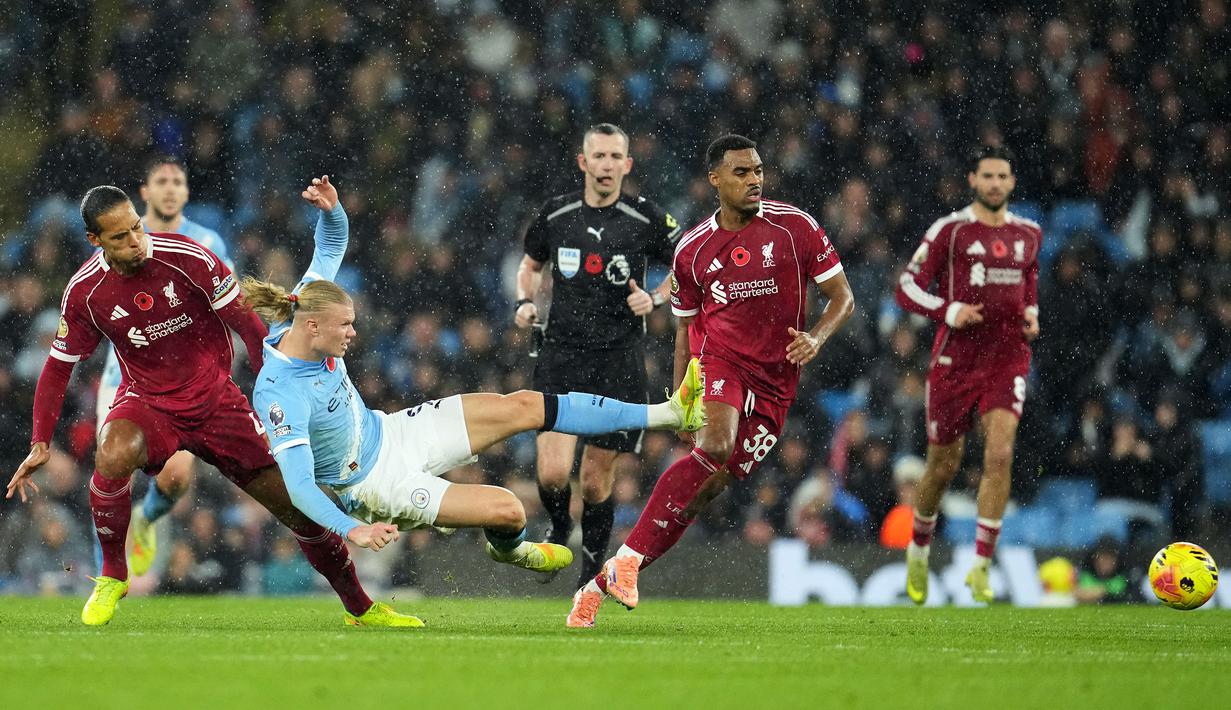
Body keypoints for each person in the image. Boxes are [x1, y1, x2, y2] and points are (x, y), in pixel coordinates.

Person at [244, 177, 705, 611]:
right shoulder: (279, 392)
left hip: (392, 430)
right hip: (375, 486)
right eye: (345, 325)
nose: (352, 332)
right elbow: (300, 485)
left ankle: (668, 413)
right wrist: (354, 530)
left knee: (524, 404)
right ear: (312, 328)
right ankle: (513, 551)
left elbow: (330, 245)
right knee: (508, 510)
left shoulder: (304, 303)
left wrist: (333, 209)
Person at [7, 181, 413, 629]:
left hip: (219, 402)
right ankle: (112, 575)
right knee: (113, 451)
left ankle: (361, 607)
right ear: (95, 240)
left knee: (295, 505)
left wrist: (275, 391)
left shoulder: (186, 256)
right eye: (120, 236)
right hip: (150, 403)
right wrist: (41, 442)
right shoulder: (85, 292)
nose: (136, 241)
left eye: (137, 228)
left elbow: (250, 327)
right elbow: (58, 366)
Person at [566, 134, 855, 627]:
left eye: (758, 170)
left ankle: (606, 577)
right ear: (715, 179)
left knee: (706, 489)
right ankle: (629, 565)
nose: (754, 180)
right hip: (721, 361)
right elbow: (684, 327)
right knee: (715, 445)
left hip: (777, 380)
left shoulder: (794, 227)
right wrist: (682, 399)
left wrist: (817, 338)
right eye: (741, 172)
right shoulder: (693, 249)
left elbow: (842, 297)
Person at [515, 123, 683, 586]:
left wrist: (656, 297)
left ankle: (589, 576)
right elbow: (530, 266)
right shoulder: (557, 214)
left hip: (618, 359)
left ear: (627, 165)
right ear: (583, 162)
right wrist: (524, 302)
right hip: (561, 354)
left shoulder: (648, 218)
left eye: (615, 157)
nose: (606, 165)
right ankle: (559, 524)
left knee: (593, 481)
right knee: (550, 474)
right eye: (599, 156)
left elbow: (685, 265)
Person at [893, 145, 1042, 604]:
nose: (996, 184)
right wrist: (948, 309)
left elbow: (1029, 279)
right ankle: (918, 551)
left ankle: (980, 566)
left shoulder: (1029, 234)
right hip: (955, 362)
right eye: (988, 176)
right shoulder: (951, 231)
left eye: (1003, 176)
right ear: (972, 181)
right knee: (942, 467)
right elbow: (906, 286)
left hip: (1007, 359)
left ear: (1012, 183)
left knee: (999, 455)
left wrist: (1031, 312)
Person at [94, 155, 232, 577]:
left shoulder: (208, 242)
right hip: (124, 378)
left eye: (178, 181)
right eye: (161, 180)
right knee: (111, 471)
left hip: (182, 382)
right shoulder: (119, 239)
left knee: (174, 478)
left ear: (186, 193)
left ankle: (147, 518)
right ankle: (104, 574)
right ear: (145, 192)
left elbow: (224, 309)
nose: (170, 188)